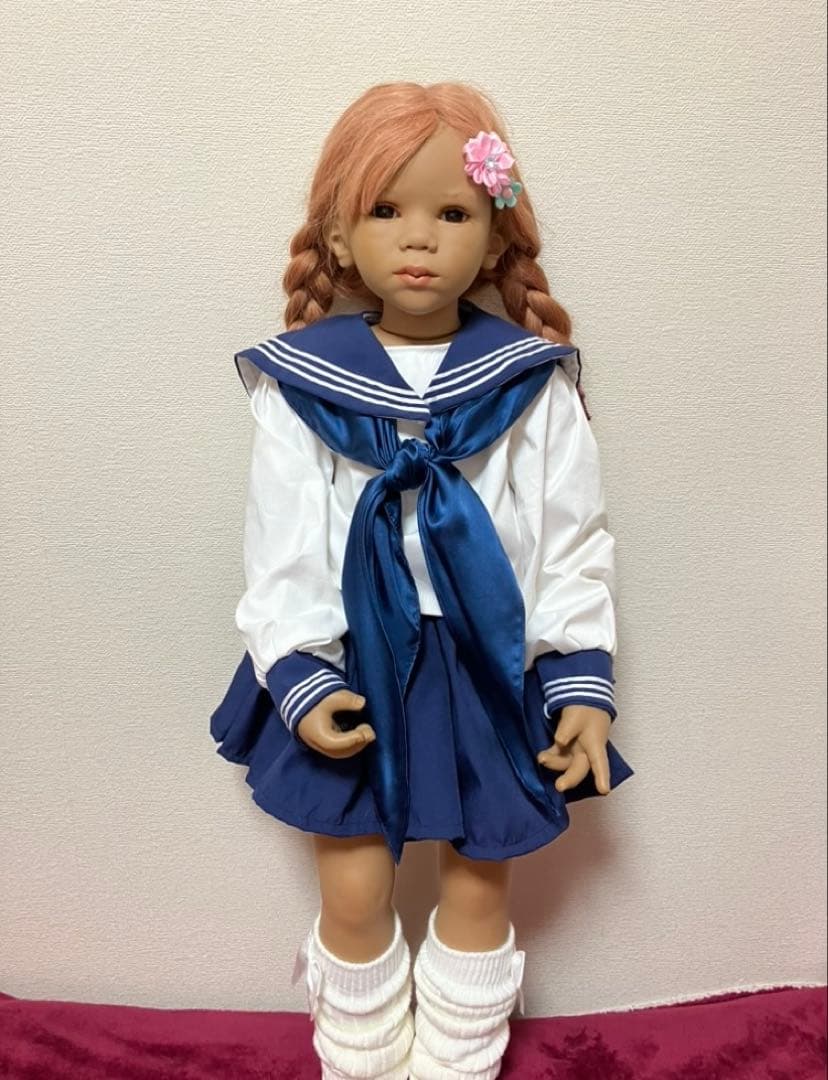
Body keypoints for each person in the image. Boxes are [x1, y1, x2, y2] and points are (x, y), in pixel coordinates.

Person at [211, 80, 635, 1080]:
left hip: (481, 659)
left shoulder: (528, 380)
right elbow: (282, 545)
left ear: (493, 238)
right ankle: (361, 1059)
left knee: (481, 878)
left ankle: (459, 1061)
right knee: (354, 887)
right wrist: (300, 668)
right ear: (338, 235)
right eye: (386, 209)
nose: (419, 237)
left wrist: (578, 676)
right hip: (353, 657)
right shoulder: (302, 385)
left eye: (452, 212)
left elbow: (570, 538)